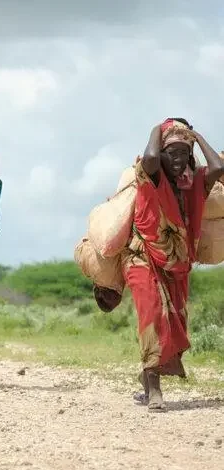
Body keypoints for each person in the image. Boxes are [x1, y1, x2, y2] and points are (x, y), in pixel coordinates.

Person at [117, 118, 224, 412]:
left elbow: (218, 167)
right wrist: (158, 129)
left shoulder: (194, 182)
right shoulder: (150, 175)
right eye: (171, 153)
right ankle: (154, 389)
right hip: (141, 255)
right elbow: (151, 156)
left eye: (183, 153)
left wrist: (195, 137)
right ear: (162, 154)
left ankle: (147, 375)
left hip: (177, 264)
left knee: (173, 323)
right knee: (152, 316)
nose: (177, 160)